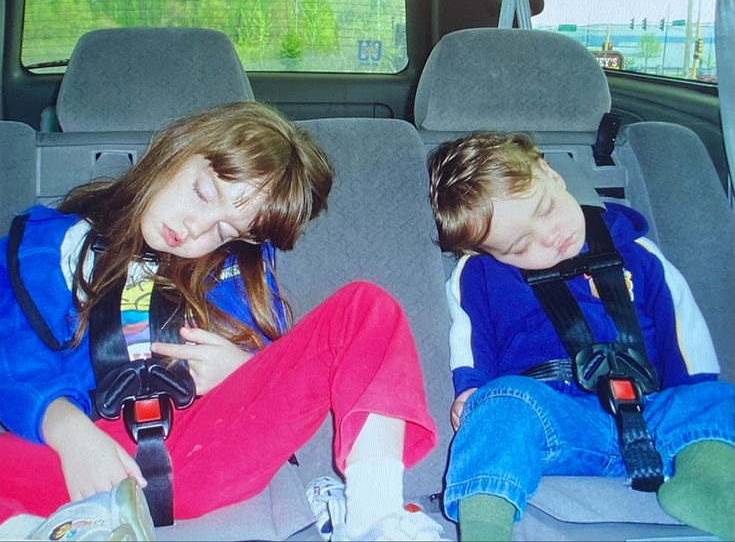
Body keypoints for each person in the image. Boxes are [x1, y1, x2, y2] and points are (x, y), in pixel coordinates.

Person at [0, 101, 446, 542]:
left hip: (206, 448)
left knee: (366, 307)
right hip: (82, 457)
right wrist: (68, 432)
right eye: (203, 193)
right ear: (178, 148)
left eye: (225, 231)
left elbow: (286, 373)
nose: (196, 228)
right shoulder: (47, 243)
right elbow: (15, 353)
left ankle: (374, 515)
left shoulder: (237, 272)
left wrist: (244, 367)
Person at [427, 131, 734, 541]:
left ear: (550, 173)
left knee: (715, 399)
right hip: (558, 421)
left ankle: (706, 484)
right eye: (521, 246)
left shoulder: (638, 251)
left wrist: (692, 397)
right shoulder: (478, 275)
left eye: (547, 209)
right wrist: (472, 388)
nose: (549, 236)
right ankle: (486, 527)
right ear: (487, 252)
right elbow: (470, 339)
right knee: (499, 406)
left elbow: (684, 330)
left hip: (653, 412)